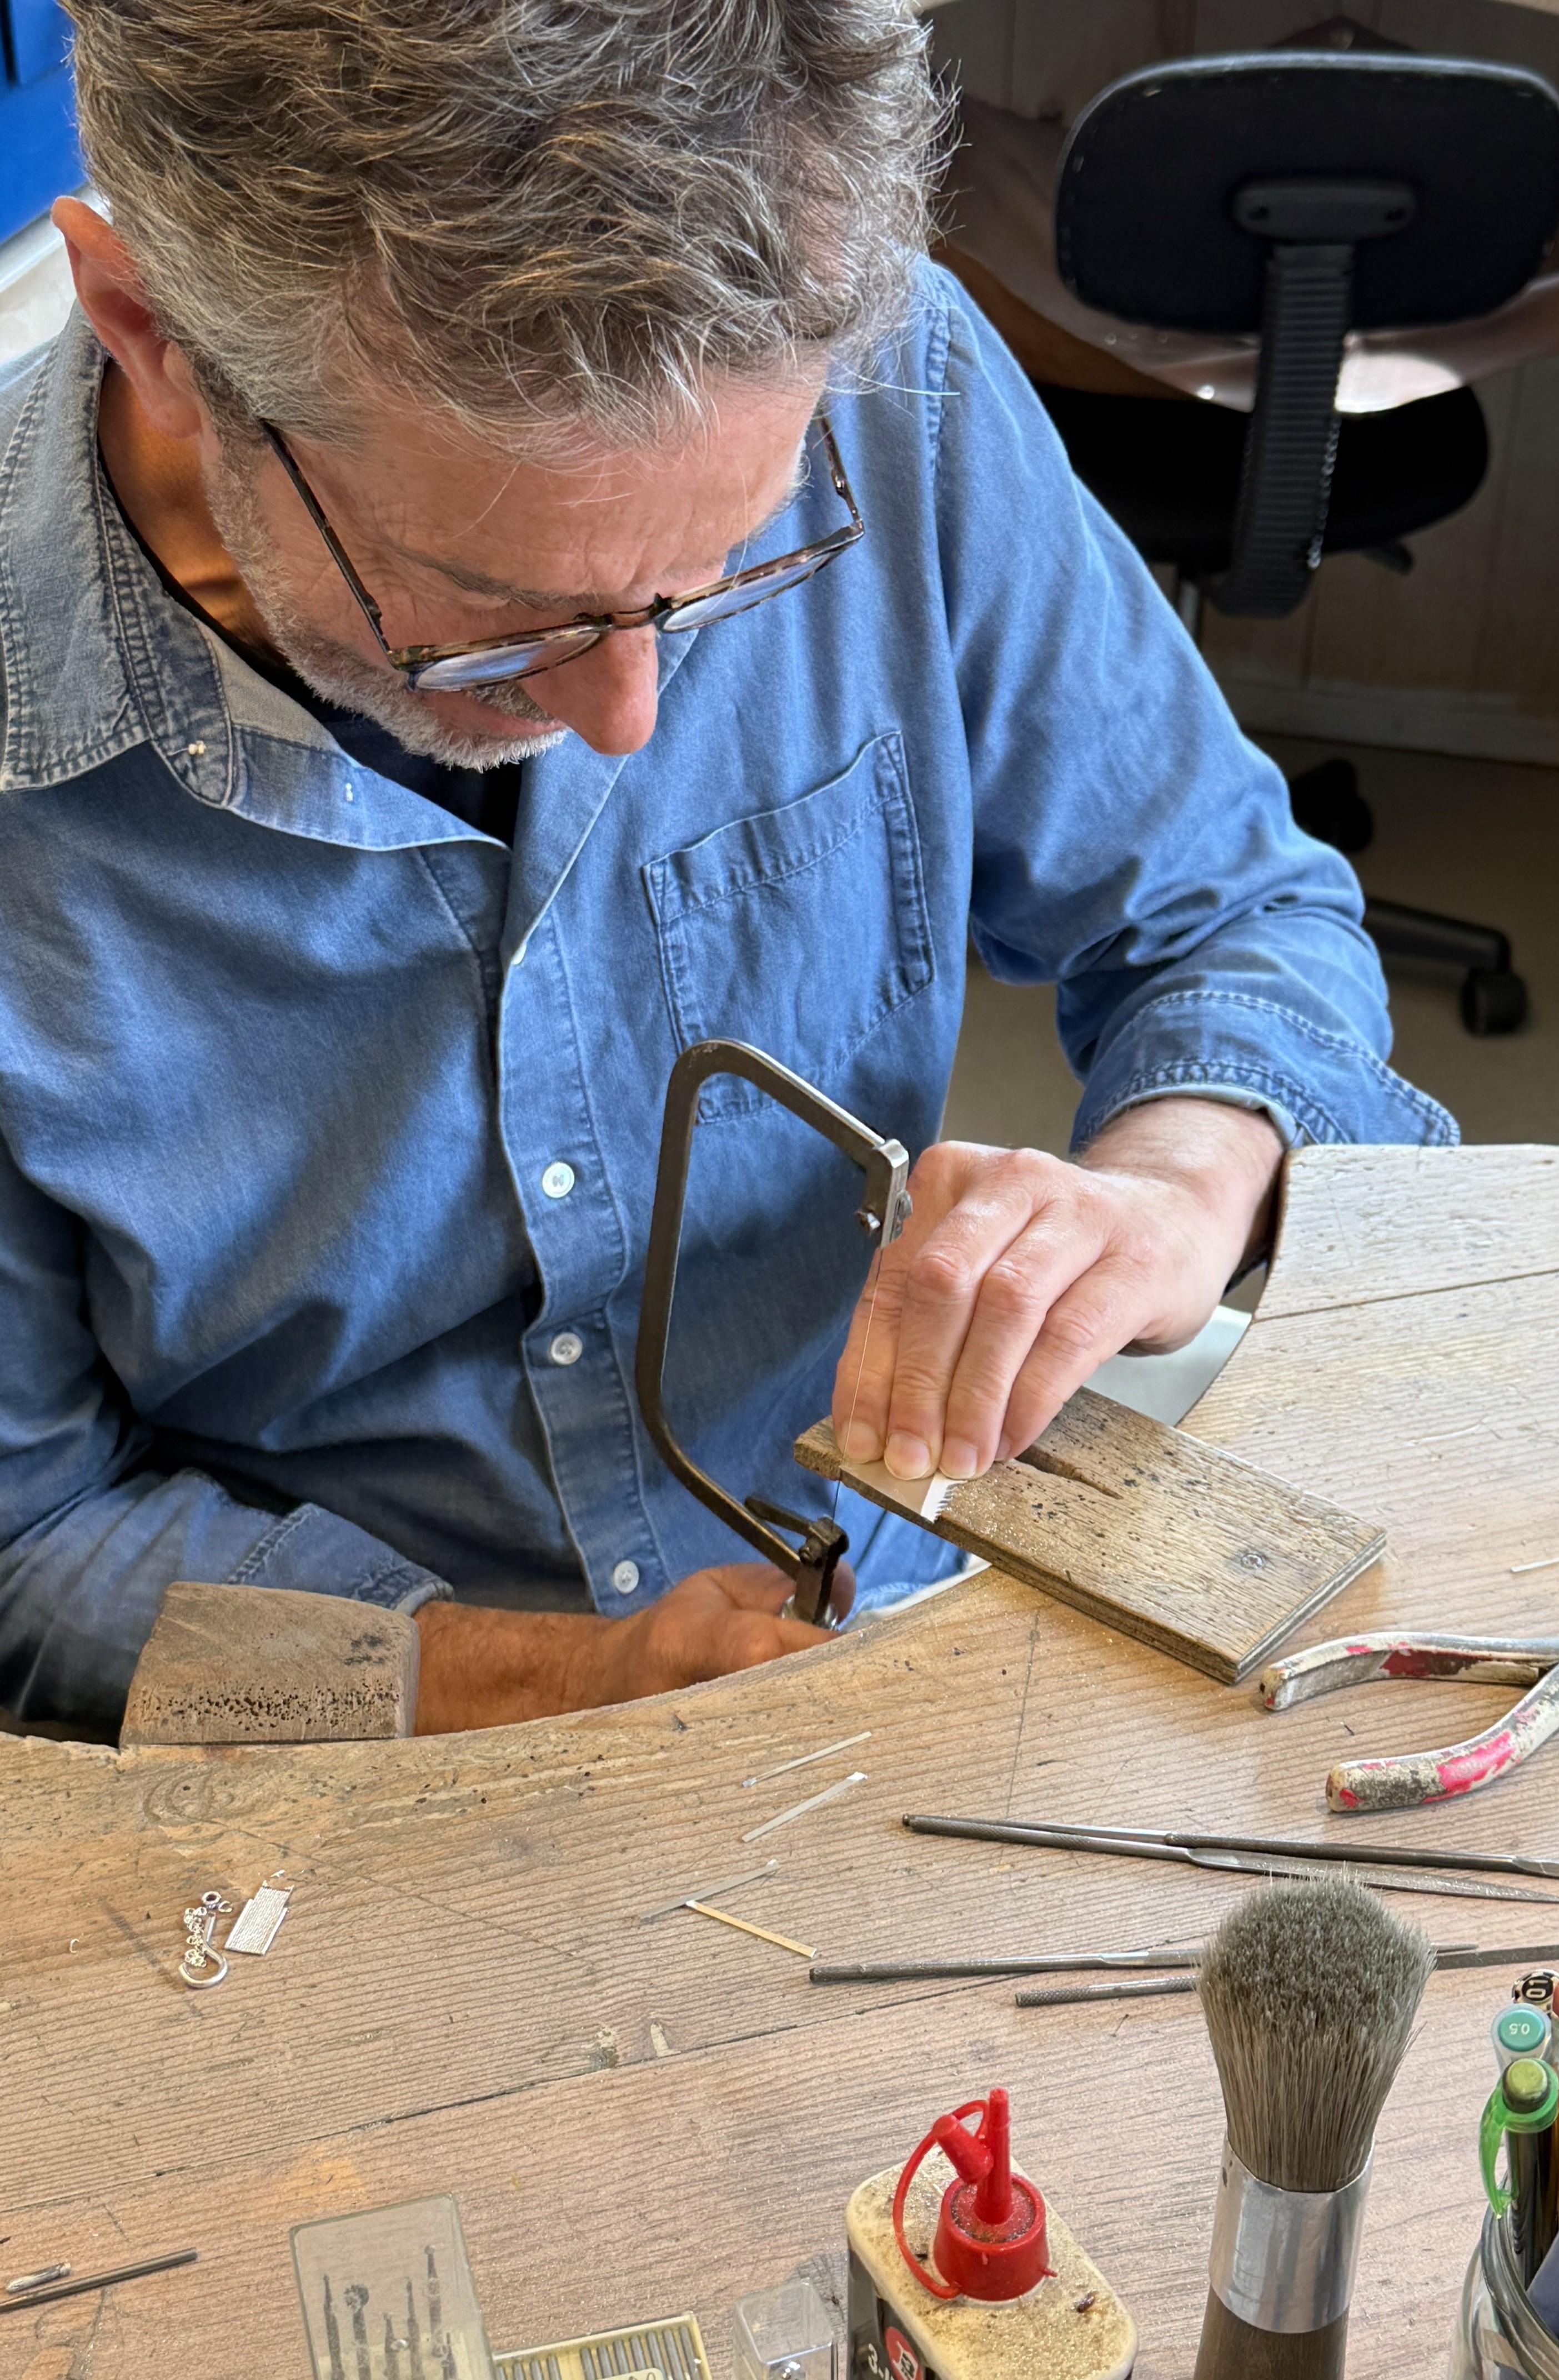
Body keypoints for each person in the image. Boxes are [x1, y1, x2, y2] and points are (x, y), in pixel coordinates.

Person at [0, 0, 1452, 1739]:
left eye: (725, 569)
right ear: (150, 330)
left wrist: (1178, 1187)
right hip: (357, 1766)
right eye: (501, 616)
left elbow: (1238, 912)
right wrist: (565, 1682)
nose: (628, 716)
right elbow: (25, 1549)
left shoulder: (886, 379)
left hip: (887, 1613)